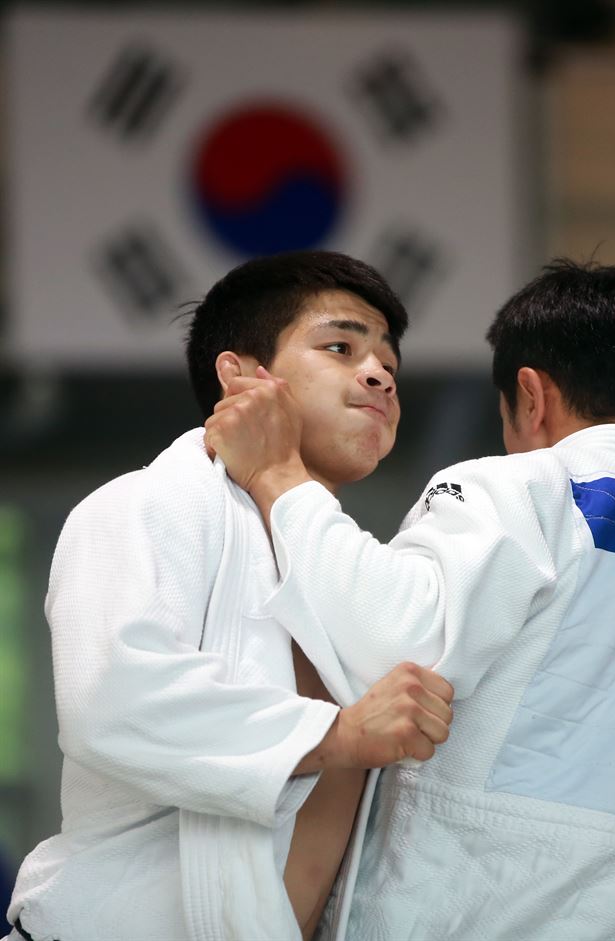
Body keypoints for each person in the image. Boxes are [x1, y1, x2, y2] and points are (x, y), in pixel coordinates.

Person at [4, 252, 454, 941]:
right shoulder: (145, 502)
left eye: (390, 365)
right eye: (341, 347)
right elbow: (113, 699)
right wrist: (340, 735)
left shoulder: (352, 566)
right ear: (241, 376)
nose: (379, 376)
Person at [205, 259, 615, 941]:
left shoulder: (529, 485)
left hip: (470, 909)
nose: (376, 376)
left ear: (532, 396)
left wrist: (279, 477)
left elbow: (396, 645)